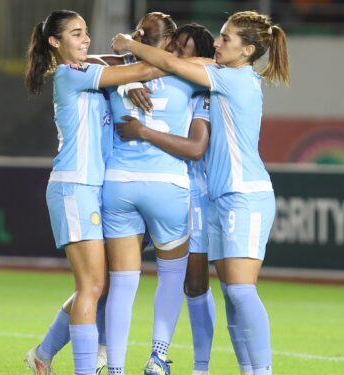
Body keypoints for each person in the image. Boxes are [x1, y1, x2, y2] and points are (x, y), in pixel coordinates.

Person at [113, 10, 290, 375]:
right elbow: (178, 62)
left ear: (248, 50)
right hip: (223, 197)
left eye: (226, 39)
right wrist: (128, 81)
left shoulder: (235, 79)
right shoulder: (229, 74)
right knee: (231, 295)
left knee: (241, 292)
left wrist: (128, 45)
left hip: (246, 195)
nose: (218, 43)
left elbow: (169, 62)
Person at [22, 11, 175, 375]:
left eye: (86, 31)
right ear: (55, 43)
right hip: (75, 186)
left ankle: (43, 355)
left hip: (95, 189)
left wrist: (121, 85)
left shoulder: (91, 74)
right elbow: (144, 70)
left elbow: (122, 73)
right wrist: (153, 58)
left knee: (99, 285)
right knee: (92, 284)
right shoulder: (70, 74)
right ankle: (85, 367)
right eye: (76, 33)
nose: (86, 38)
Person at [114, 23, 217, 375]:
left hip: (192, 191)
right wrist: (129, 75)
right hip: (155, 185)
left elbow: (196, 149)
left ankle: (197, 367)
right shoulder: (153, 77)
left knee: (195, 283)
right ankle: (101, 355)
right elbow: (105, 61)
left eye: (187, 49)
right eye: (176, 45)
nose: (177, 54)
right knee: (106, 279)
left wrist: (143, 130)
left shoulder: (201, 85)